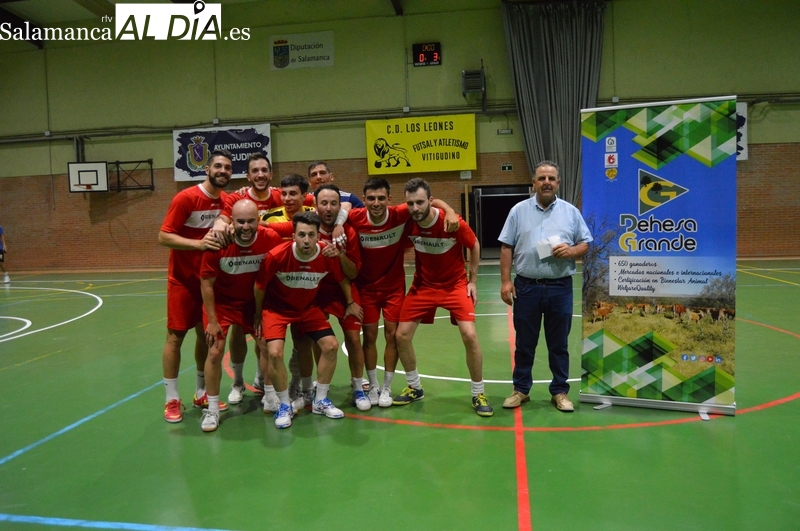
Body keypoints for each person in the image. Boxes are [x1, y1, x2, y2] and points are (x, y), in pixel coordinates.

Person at [347, 178, 459, 407]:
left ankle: (387, 387)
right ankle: (373, 386)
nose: (375, 203)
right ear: (364, 199)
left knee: (392, 336)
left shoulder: (400, 213)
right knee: (369, 337)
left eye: (381, 198)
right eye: (370, 198)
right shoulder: (356, 218)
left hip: (393, 289)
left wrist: (449, 210)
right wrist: (339, 222)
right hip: (366, 289)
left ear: (389, 199)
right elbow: (341, 210)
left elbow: (431, 201)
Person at [392, 178, 493, 417]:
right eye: (410, 203)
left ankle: (478, 392)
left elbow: (475, 244)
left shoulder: (451, 222)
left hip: (455, 286)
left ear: (429, 200)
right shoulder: (408, 224)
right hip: (423, 286)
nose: (415, 208)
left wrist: (473, 281)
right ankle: (415, 387)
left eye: (420, 202)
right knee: (401, 335)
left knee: (469, 335)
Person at [253, 211, 363, 429]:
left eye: (311, 235)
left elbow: (342, 279)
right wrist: (258, 314)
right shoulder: (277, 256)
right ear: (293, 236)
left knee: (330, 346)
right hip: (277, 309)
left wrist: (350, 302)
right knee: (274, 352)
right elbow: (259, 287)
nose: (306, 240)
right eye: (301, 235)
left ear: (318, 236)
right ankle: (284, 405)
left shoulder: (326, 254)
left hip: (307, 309)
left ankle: (320, 399)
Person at [498, 160, 592, 412]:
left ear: (558, 183)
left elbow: (585, 243)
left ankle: (560, 392)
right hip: (526, 287)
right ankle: (521, 390)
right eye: (542, 178)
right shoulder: (518, 211)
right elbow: (506, 246)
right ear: (534, 183)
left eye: (551, 178)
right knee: (525, 343)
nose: (546, 182)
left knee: (558, 344)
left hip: (560, 288)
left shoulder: (571, 212)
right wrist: (506, 281)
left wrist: (571, 250)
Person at [158, 148, 232, 423]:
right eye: (218, 167)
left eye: (227, 168)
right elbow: (164, 236)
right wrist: (198, 245)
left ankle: (201, 392)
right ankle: (171, 399)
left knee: (206, 336)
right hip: (183, 281)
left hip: (210, 282)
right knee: (175, 338)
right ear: (207, 169)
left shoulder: (226, 201)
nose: (223, 171)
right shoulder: (186, 198)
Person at [199, 199, 283, 432]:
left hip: (253, 305)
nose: (246, 226)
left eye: (251, 221)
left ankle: (269, 395)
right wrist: (213, 321)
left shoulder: (270, 240)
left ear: (259, 220)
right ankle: (213, 408)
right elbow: (206, 283)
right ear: (230, 222)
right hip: (222, 305)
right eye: (240, 221)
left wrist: (263, 310)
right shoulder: (217, 243)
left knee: (266, 343)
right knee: (215, 351)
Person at [308, 184, 370, 411]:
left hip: (345, 292)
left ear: (339, 206)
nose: (328, 207)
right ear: (315, 206)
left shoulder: (348, 232)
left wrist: (340, 254)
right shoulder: (308, 231)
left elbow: (352, 273)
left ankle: (357, 387)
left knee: (353, 339)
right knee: (318, 339)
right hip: (317, 292)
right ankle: (318, 380)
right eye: (323, 203)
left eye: (333, 203)